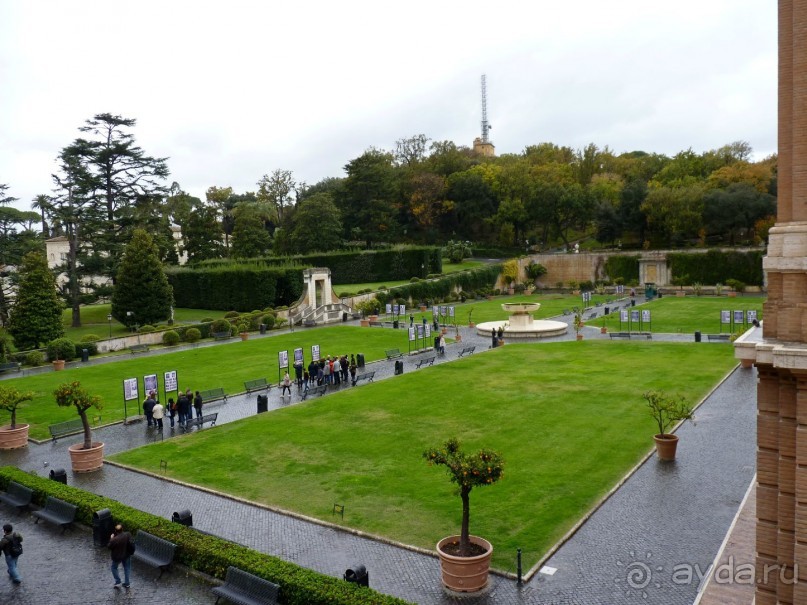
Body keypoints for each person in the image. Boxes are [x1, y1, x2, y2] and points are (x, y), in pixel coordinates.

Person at [108, 523, 132, 589]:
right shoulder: (127, 535)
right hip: (126, 555)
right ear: (122, 529)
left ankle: (118, 582)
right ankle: (127, 583)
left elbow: (109, 546)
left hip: (117, 556)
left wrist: (111, 538)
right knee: (127, 568)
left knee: (114, 567)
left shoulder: (114, 539)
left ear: (115, 531)